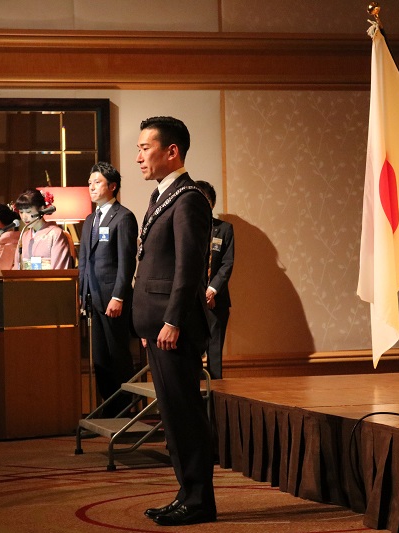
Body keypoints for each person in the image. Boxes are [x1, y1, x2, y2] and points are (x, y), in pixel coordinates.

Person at [132, 116, 216, 526]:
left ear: (172, 151)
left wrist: (172, 321)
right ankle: (187, 494)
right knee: (172, 416)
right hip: (158, 327)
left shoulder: (189, 198)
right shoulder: (161, 196)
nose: (138, 157)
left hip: (174, 328)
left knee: (184, 415)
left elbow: (189, 268)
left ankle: (199, 500)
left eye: (144, 148)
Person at [79, 162, 138, 417]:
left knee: (118, 356)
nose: (92, 187)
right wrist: (82, 295)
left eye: (97, 182)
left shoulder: (123, 217)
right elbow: (84, 261)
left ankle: (124, 411)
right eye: (90, 183)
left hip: (113, 299)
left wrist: (118, 296)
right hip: (93, 298)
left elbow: (127, 262)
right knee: (100, 359)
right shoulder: (90, 219)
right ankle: (109, 410)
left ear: (112, 186)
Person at [193, 180, 234, 380]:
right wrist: (200, 292)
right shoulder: (186, 227)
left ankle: (216, 394)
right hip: (193, 300)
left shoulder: (225, 229)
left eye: (206, 199)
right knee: (193, 351)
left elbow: (227, 264)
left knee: (215, 352)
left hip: (217, 301)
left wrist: (212, 290)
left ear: (212, 203)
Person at [13, 189, 71, 270]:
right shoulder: (24, 236)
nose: (24, 217)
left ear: (41, 209)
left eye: (28, 211)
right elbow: (17, 266)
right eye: (21, 212)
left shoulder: (55, 234)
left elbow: (59, 268)